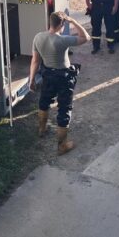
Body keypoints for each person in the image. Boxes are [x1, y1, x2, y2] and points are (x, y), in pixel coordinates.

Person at [30, 11, 91, 155]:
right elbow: (86, 37)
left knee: (44, 102)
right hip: (64, 78)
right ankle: (62, 146)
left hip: (47, 75)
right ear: (62, 24)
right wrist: (74, 22)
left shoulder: (38, 37)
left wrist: (31, 79)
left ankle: (42, 129)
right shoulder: (63, 40)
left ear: (50, 22)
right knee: (64, 109)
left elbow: (35, 61)